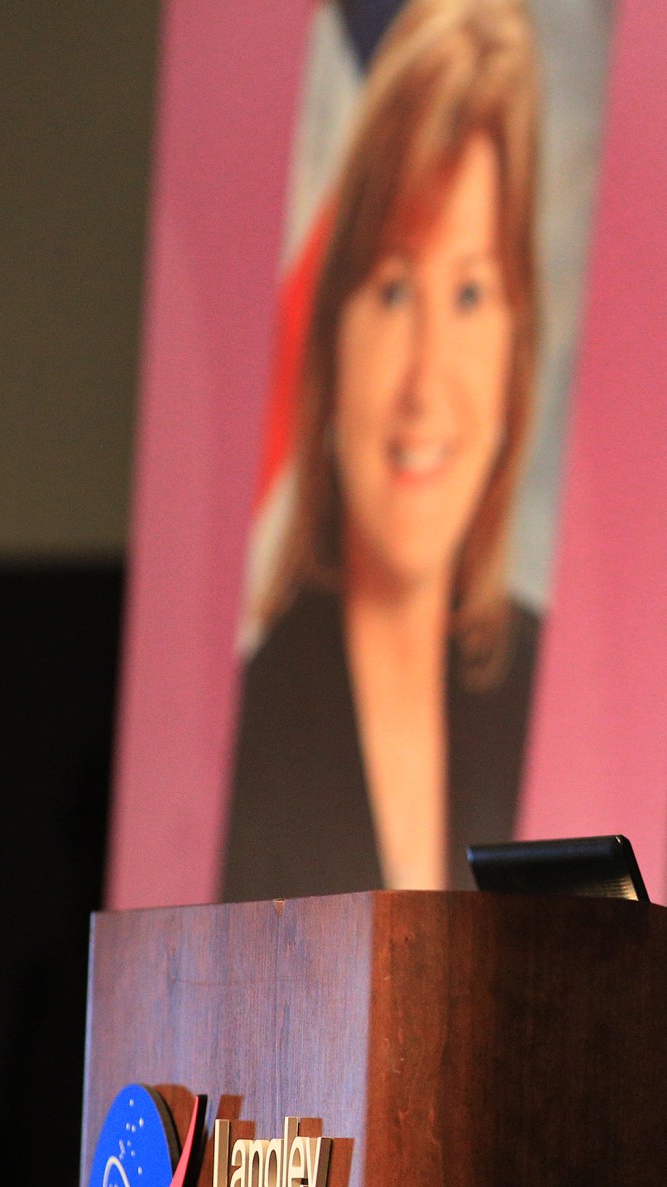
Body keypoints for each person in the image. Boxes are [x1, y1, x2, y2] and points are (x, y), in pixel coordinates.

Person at [223, 0, 541, 900]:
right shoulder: (227, 741)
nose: (425, 381)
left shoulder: (557, 703)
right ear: (330, 334)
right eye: (395, 290)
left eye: (473, 293)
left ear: (521, 340)